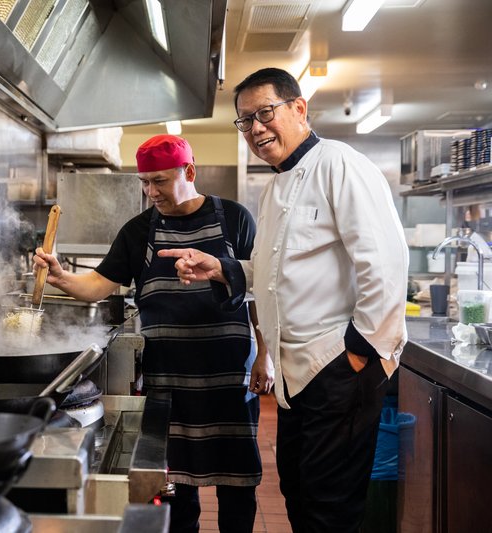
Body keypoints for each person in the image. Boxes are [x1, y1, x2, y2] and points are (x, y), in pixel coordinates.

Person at [158, 68, 408, 532]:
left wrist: (358, 354)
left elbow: (386, 262)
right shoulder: (274, 188)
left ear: (298, 108)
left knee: (329, 506)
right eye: (245, 120)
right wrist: (220, 267)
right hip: (297, 377)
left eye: (265, 113)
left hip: (338, 368)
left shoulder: (340, 164)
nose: (255, 128)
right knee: (299, 489)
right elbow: (270, 273)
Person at [33, 134, 274, 533]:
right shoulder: (139, 230)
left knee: (238, 483)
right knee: (175, 484)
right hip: (169, 377)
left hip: (229, 375)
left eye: (160, 181)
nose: (150, 192)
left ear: (189, 172)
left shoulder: (234, 217)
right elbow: (98, 284)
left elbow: (258, 291)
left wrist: (265, 354)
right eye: (145, 182)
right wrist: (61, 277)